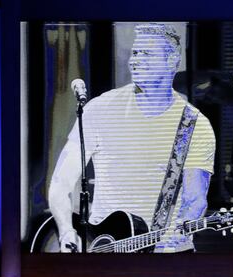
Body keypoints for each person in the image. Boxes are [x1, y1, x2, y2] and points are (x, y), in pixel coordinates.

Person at [48, 22, 216, 253]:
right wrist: (67, 230)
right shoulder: (99, 109)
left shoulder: (194, 125)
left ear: (171, 62)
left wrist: (179, 232)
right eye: (135, 53)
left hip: (167, 255)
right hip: (104, 251)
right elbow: (60, 183)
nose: (136, 60)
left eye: (147, 53)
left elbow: (195, 198)